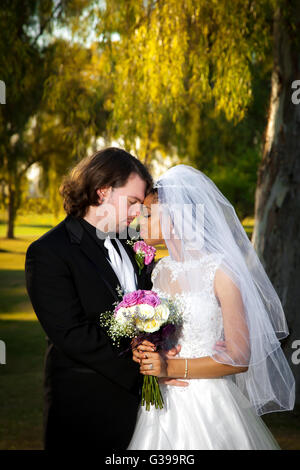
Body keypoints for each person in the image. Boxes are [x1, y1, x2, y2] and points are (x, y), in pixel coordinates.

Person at [128, 164, 295, 450]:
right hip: (162, 404)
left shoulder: (221, 272)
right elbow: (161, 333)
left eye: (148, 214)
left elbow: (240, 358)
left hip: (207, 404)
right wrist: (142, 345)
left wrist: (172, 366)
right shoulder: (161, 270)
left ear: (173, 216)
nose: (138, 222)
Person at [25, 147, 158, 450]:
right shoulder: (49, 252)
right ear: (102, 193)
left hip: (140, 411)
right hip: (85, 407)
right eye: (133, 202)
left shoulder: (132, 242)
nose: (139, 212)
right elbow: (71, 333)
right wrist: (142, 368)